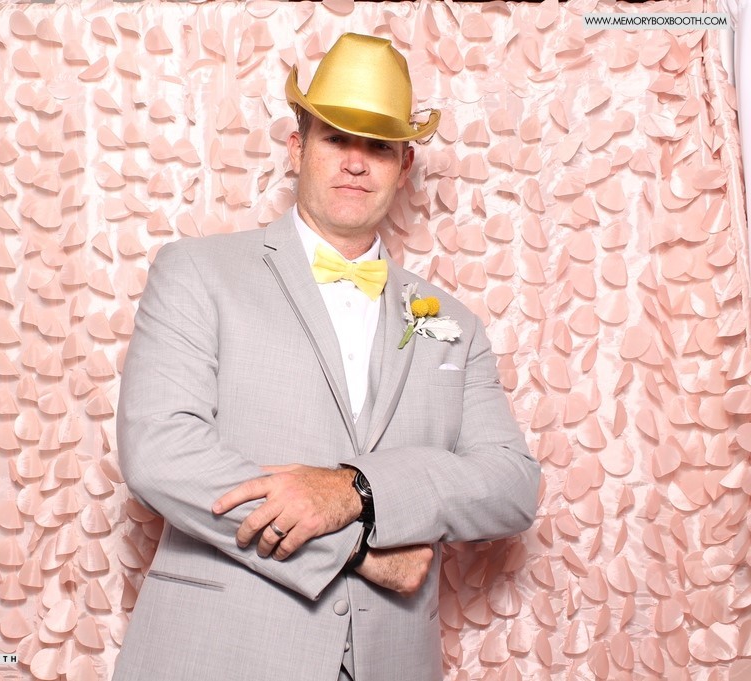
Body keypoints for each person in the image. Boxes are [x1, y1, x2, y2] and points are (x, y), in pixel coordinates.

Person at [114, 33, 540, 681]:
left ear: (404, 165)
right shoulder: (197, 272)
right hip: (223, 655)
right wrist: (357, 549)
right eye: (337, 138)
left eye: (379, 147)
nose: (356, 163)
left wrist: (358, 490)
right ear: (297, 147)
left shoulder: (452, 324)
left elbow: (510, 483)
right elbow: (161, 452)